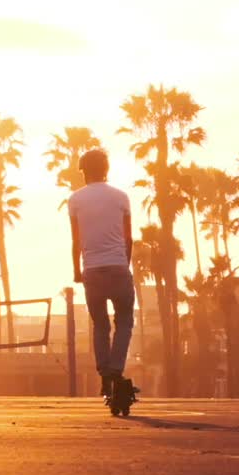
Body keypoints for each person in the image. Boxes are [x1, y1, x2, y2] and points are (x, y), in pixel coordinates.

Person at [68, 149, 136, 399]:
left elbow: (76, 241)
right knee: (125, 321)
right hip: (118, 267)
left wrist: (77, 271)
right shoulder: (121, 197)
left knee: (100, 325)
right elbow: (128, 238)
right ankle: (116, 369)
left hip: (92, 270)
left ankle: (105, 374)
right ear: (106, 169)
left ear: (84, 171)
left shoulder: (75, 200)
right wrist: (124, 265)